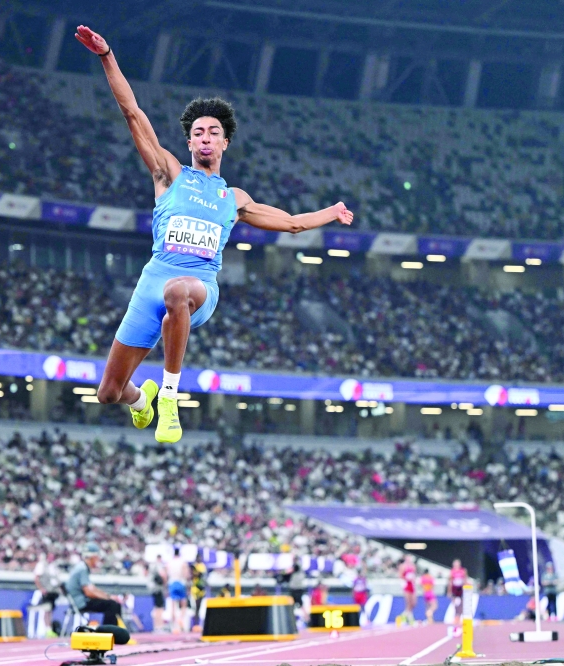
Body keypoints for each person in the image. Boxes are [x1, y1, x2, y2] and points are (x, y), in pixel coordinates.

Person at [78, 25, 354, 444]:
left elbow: (293, 223)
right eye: (198, 133)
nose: (205, 138)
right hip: (151, 283)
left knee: (178, 291)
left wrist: (331, 212)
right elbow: (133, 112)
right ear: (189, 142)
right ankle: (144, 400)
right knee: (109, 391)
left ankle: (170, 397)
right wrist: (107, 55)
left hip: (198, 289)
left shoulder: (235, 198)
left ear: (225, 144)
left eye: (214, 133)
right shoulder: (168, 173)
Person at [64, 543, 126, 628]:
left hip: (80, 601)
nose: (98, 560)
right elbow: (89, 593)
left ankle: (113, 632)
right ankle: (108, 633)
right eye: (97, 557)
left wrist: (109, 596)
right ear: (93, 557)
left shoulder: (82, 567)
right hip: (81, 603)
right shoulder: (82, 569)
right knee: (112, 605)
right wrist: (109, 598)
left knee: (113, 603)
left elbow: (93, 589)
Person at [34, 552, 63, 636]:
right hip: (46, 591)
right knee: (47, 610)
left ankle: (49, 628)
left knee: (51, 610)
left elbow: (57, 579)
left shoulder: (54, 566)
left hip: (53, 592)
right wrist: (41, 589)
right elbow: (36, 578)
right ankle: (47, 630)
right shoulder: (41, 565)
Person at [166, 546, 191, 633]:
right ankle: (181, 621)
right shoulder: (183, 562)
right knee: (183, 604)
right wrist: (188, 585)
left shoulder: (170, 562)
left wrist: (166, 585)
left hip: (172, 582)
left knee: (173, 605)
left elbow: (166, 574)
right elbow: (186, 574)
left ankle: (174, 626)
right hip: (181, 582)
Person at [148, 555, 168, 632]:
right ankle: (159, 626)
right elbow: (162, 575)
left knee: (156, 607)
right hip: (158, 588)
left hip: (153, 588)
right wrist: (165, 584)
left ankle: (156, 626)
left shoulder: (152, 565)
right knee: (159, 608)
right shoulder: (158, 565)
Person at [398, 555, 417, 626]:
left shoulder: (413, 566)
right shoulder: (403, 566)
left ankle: (404, 616)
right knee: (408, 603)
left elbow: (414, 575)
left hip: (412, 585)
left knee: (413, 603)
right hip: (407, 585)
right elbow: (400, 575)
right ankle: (408, 619)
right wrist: (407, 579)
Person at [449, 559, 468, 625]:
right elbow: (450, 582)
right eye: (454, 564)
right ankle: (456, 617)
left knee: (462, 604)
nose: (455, 565)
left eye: (457, 564)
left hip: (461, 589)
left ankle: (460, 617)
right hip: (454, 589)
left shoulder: (463, 571)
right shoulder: (452, 571)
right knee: (454, 604)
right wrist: (449, 591)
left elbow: (465, 580)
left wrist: (466, 589)